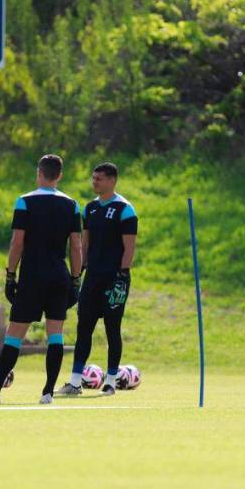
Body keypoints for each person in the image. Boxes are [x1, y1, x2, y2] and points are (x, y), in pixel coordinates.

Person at [0, 154, 83, 405]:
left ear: (39, 173)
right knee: (55, 334)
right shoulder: (72, 205)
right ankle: (47, 393)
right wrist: (75, 280)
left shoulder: (24, 201)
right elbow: (76, 246)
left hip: (32, 276)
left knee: (14, 334)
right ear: (59, 176)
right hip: (59, 276)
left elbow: (17, 243)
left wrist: (10, 275)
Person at [59, 162, 137, 396]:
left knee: (112, 328)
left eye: (99, 179)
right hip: (92, 278)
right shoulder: (90, 208)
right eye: (93, 178)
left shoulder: (125, 209)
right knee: (84, 328)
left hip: (114, 279)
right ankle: (75, 382)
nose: (94, 182)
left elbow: (129, 246)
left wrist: (123, 274)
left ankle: (111, 381)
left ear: (112, 180)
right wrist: (78, 273)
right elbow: (84, 244)